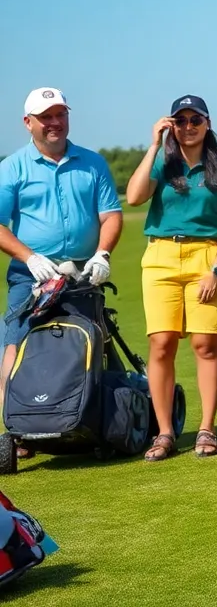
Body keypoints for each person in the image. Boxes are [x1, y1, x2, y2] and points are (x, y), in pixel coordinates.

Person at [0, 88, 123, 458]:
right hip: (30, 276)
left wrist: (102, 253)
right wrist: (30, 257)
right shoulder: (12, 167)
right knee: (15, 348)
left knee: (89, 344)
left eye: (60, 115)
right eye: (45, 117)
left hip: (83, 275)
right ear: (28, 123)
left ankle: (86, 419)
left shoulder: (92, 162)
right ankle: (16, 427)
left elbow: (111, 215)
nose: (54, 123)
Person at [124, 95, 217, 461]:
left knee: (205, 345)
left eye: (196, 120)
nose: (188, 127)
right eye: (181, 121)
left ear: (208, 124)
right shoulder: (163, 162)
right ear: (171, 125)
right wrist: (153, 146)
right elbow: (133, 197)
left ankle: (207, 428)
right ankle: (164, 433)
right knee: (161, 344)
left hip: (207, 257)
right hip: (160, 256)